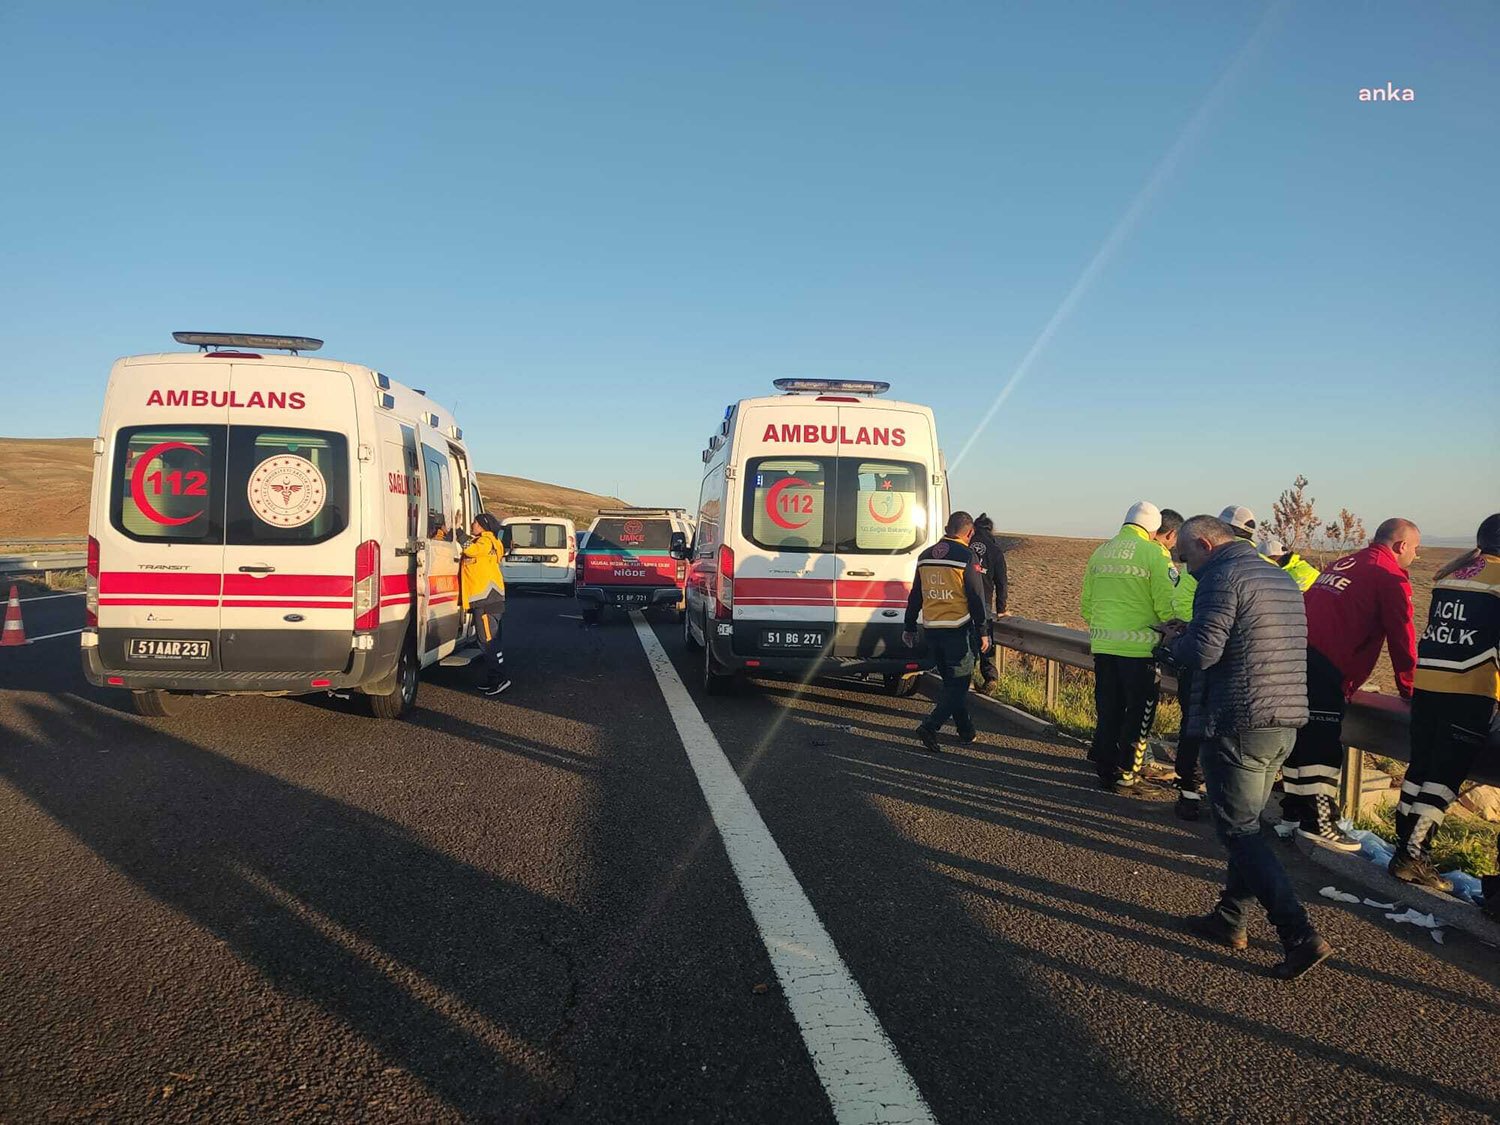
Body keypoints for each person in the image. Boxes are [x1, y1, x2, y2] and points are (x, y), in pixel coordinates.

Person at [1163, 515, 1331, 980]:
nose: (1186, 566)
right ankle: (1230, 919)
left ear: (1205, 543)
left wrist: (1175, 643)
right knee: (1249, 826)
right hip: (1286, 718)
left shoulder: (1220, 577)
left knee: (1239, 831)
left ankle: (1298, 933)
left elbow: (1204, 653)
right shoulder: (1279, 577)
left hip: (1238, 718)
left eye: (1187, 555)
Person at [1282, 517, 1420, 850]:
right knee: (1322, 746)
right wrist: (1411, 689)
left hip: (1298, 656)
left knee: (1301, 740)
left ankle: (1293, 815)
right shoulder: (1387, 576)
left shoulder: (1346, 562)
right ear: (1401, 546)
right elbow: (1403, 637)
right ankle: (1319, 824)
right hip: (1328, 666)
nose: (1415, 557)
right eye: (1415, 550)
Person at [1388, 514, 1499, 890]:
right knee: (1445, 777)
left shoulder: (1455, 574)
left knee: (1420, 768)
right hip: (1469, 688)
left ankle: (1402, 846)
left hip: (1428, 683)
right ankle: (1412, 856)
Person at [1081, 501, 1179, 792]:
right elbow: (1167, 603)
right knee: (1138, 714)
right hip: (1140, 651)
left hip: (1103, 645)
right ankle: (1128, 774)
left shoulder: (1100, 552)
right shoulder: (1154, 553)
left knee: (1108, 709)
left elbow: (1086, 604)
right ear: (1153, 528)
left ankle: (1106, 769)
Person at [903, 511, 991, 753]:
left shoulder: (925, 555)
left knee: (952, 684)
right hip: (957, 629)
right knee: (959, 685)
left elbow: (916, 595)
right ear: (970, 533)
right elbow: (975, 596)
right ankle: (930, 726)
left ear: (946, 528)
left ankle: (966, 731)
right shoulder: (966, 556)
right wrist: (982, 630)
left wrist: (909, 625)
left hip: (932, 629)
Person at [461, 512, 510, 696]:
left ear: (483, 526)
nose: (472, 525)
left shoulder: (485, 541)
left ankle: (500, 678)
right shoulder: (490, 542)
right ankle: (494, 677)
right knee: (490, 640)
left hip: (486, 599)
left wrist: (457, 531)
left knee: (488, 641)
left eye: (474, 522)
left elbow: (470, 550)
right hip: (491, 598)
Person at [970, 512, 1008, 686]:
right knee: (985, 638)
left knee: (966, 640)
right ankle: (990, 676)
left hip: (961, 599)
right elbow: (1001, 583)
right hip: (984, 599)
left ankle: (965, 675)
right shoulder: (995, 551)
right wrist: (1001, 609)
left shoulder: (966, 544)